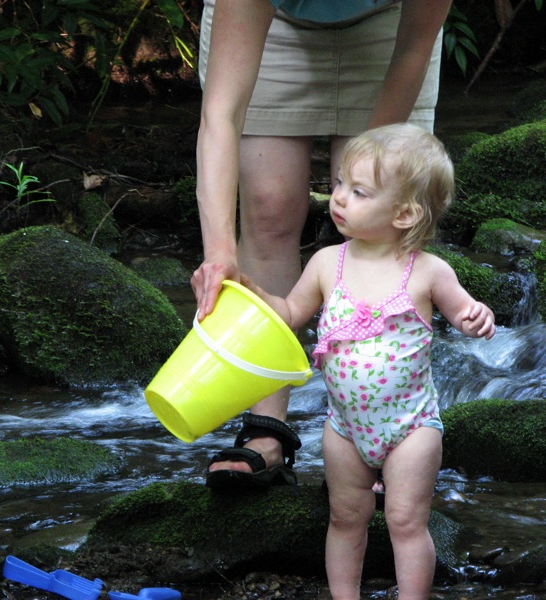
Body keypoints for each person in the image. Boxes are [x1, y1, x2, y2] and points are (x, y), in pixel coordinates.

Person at [191, 0, 453, 489]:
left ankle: (385, 440)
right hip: (274, 32)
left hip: (391, 28)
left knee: (380, 227)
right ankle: (266, 430)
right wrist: (219, 253)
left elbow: (415, 47)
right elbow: (220, 113)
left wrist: (361, 184)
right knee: (268, 208)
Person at [242, 123, 495, 598]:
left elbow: (465, 313)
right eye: (338, 183)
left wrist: (476, 317)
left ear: (404, 214)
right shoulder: (326, 263)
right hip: (345, 426)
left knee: (404, 520)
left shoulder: (427, 270)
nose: (338, 197)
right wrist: (254, 292)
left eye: (358, 191)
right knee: (345, 517)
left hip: (411, 426)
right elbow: (291, 314)